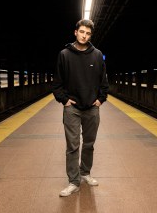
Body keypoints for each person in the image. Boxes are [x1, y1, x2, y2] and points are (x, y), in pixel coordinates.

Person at [51, 19, 109, 197]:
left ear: (90, 35)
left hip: (92, 108)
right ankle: (73, 181)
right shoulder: (64, 55)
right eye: (82, 32)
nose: (84, 35)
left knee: (89, 144)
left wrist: (100, 99)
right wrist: (64, 100)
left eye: (88, 33)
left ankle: (85, 173)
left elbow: (103, 81)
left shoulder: (97, 55)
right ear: (75, 32)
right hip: (72, 109)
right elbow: (57, 83)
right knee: (73, 146)